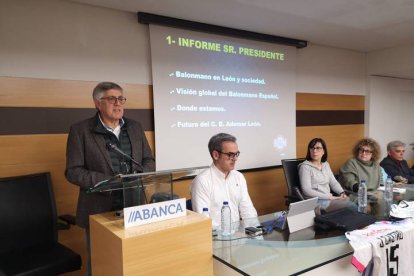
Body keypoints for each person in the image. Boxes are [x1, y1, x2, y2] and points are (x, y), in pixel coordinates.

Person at [65, 81, 155, 274]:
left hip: (134, 207)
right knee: (101, 263)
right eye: (112, 99)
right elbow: (73, 171)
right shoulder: (81, 130)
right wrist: (109, 182)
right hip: (99, 209)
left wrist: (137, 176)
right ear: (98, 103)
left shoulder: (135, 127)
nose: (118, 103)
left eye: (121, 99)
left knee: (134, 260)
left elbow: (148, 159)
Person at [191, 133, 258, 227]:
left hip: (239, 237)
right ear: (216, 155)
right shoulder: (202, 181)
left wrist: (256, 234)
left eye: (236, 154)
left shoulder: (239, 177)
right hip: (216, 238)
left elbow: (248, 210)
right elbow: (204, 220)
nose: (235, 159)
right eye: (230, 155)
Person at [298, 138, 348, 211]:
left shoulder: (325, 165)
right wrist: (328, 197)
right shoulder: (305, 167)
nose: (314, 151)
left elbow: (333, 182)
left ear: (323, 151)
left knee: (350, 202)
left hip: (328, 199)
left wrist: (341, 192)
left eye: (318, 148)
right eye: (312, 148)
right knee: (349, 206)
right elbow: (306, 190)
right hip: (315, 201)